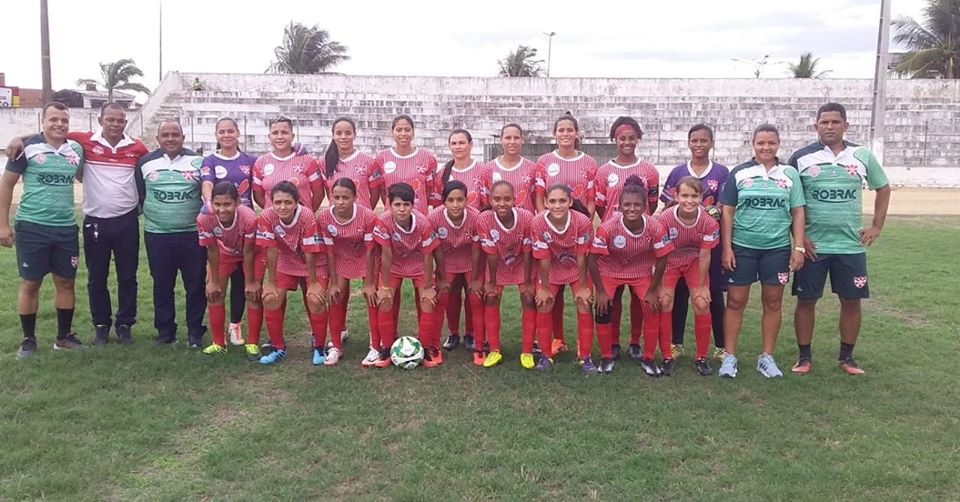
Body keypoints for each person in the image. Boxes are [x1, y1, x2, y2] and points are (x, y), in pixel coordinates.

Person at [5, 102, 149, 346]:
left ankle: (125, 324)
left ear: (125, 122)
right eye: (110, 119)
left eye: (120, 120)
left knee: (127, 276)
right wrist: (19, 137)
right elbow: (48, 134)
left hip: (126, 221)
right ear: (100, 120)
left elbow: (150, 169)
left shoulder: (136, 147)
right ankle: (101, 325)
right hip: (93, 221)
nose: (115, 124)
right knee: (96, 277)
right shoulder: (84, 141)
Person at [788, 102, 891, 375]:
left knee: (851, 301)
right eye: (824, 122)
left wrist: (876, 226)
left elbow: (883, 188)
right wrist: (799, 238)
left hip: (849, 246)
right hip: (814, 246)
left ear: (846, 125)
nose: (830, 127)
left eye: (835, 122)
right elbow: (789, 200)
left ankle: (847, 358)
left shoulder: (862, 155)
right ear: (816, 126)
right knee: (806, 301)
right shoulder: (801, 158)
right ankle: (804, 357)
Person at [718, 124, 806, 379]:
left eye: (771, 143)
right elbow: (727, 211)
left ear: (778, 144)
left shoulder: (789, 174)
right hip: (743, 247)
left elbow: (798, 210)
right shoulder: (739, 173)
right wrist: (727, 248)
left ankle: (766, 357)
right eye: (761, 143)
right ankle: (729, 357)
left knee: (773, 301)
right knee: (735, 301)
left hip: (776, 249)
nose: (766, 147)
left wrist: (798, 247)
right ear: (752, 144)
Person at [0, 102, 85, 358]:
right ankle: (28, 339)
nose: (59, 124)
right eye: (53, 119)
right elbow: (6, 185)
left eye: (64, 120)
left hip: (66, 227)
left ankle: (64, 338)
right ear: (43, 121)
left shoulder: (76, 148)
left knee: (66, 282)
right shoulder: (25, 148)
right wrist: (3, 224)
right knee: (31, 283)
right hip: (31, 226)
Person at [589, 175, 671, 376]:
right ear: (619, 206)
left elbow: (662, 259)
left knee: (650, 305)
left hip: (640, 270)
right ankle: (607, 356)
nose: (632, 209)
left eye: (637, 205)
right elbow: (591, 259)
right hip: (610, 270)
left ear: (645, 206)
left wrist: (653, 290)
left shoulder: (655, 226)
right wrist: (600, 291)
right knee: (602, 306)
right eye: (627, 204)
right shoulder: (608, 227)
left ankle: (649, 358)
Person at [661, 123, 730, 361]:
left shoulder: (721, 172)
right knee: (678, 294)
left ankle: (720, 345)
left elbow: (725, 207)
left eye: (704, 140)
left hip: (709, 243)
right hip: (679, 245)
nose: (699, 145)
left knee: (711, 293)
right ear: (689, 143)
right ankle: (676, 343)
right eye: (694, 140)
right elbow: (668, 205)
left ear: (711, 143)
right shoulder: (678, 172)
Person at [135, 120, 207, 348]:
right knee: (162, 284)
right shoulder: (146, 162)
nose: (170, 139)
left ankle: (195, 331)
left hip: (192, 234)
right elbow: (141, 194)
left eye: (175, 134)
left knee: (195, 284)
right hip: (158, 235)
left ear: (183, 137)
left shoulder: (198, 162)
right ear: (158, 139)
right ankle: (165, 331)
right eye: (165, 135)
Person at [594, 116, 660, 360]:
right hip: (611, 241)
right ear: (615, 139)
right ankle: (612, 343)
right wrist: (614, 224)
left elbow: (651, 205)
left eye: (632, 138)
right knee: (613, 295)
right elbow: (601, 206)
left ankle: (634, 341)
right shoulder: (604, 171)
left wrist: (636, 228)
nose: (627, 142)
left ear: (638, 139)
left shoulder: (649, 170)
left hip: (639, 242)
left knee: (639, 295)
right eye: (622, 138)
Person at [534, 114, 598, 356]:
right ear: (554, 134)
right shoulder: (544, 161)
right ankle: (556, 340)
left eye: (569, 130)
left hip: (576, 232)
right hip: (550, 232)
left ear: (577, 133)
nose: (565, 134)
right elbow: (539, 197)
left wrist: (581, 223)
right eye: (560, 130)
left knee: (582, 294)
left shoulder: (589, 162)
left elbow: (591, 201)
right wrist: (548, 223)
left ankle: (585, 351)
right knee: (553, 292)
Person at [255, 181, 328, 365]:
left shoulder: (307, 216)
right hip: (286, 259)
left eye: (288, 202)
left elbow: (311, 251)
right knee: (271, 298)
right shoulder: (266, 216)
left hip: (313, 262)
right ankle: (278, 347)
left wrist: (312, 283)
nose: (282, 206)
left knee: (315, 298)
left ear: (296, 202)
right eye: (278, 202)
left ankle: (319, 346)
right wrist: (270, 282)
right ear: (271, 202)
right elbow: (270, 250)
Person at [372, 182, 444, 368]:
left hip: (419, 263)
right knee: (385, 299)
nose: (402, 209)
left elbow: (429, 256)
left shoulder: (423, 222)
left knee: (428, 301)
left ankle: (425, 349)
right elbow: (386, 255)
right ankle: (386, 349)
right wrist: (385, 287)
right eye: (397, 204)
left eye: (406, 204)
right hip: (394, 263)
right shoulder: (383, 220)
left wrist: (427, 288)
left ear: (413, 205)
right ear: (390, 205)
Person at [200, 117, 258, 347]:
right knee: (217, 282)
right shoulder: (210, 160)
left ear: (238, 134)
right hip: (221, 224)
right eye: (222, 131)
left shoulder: (249, 161)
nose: (226, 135)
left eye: (230, 131)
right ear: (216, 135)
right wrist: (208, 203)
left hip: (245, 226)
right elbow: (206, 183)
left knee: (243, 281)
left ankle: (235, 325)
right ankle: (217, 339)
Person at [656, 177, 720, 376]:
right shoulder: (665, 218)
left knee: (701, 302)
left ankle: (701, 357)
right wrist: (658, 283)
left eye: (694, 196)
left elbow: (705, 254)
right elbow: (660, 253)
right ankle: (667, 356)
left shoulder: (708, 221)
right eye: (684, 195)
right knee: (665, 301)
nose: (689, 200)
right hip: (670, 260)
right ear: (676, 196)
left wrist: (702, 286)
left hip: (694, 261)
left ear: (701, 197)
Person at [529, 184, 594, 372]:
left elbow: (582, 255)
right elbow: (543, 257)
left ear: (570, 202)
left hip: (576, 267)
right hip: (551, 267)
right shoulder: (538, 222)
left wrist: (582, 286)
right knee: (544, 302)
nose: (557, 205)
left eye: (562, 201)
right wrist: (545, 288)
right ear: (546, 203)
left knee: (584, 302)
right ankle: (545, 356)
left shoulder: (582, 221)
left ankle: (585, 357)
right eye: (553, 201)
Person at [317, 177, 379, 367]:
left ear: (355, 197)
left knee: (372, 295)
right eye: (336, 197)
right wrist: (333, 282)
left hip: (364, 256)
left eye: (346, 197)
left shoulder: (368, 216)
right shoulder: (324, 217)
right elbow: (329, 250)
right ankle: (336, 345)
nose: (341, 201)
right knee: (336, 294)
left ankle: (375, 346)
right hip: (340, 257)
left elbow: (370, 250)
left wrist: (368, 283)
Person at [476, 180, 536, 368]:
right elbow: (491, 256)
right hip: (497, 263)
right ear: (490, 200)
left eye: (507, 199)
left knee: (528, 297)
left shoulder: (526, 217)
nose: (502, 203)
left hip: (520, 262)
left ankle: (527, 351)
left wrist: (527, 280)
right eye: (497, 199)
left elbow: (527, 251)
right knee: (492, 297)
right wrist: (491, 283)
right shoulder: (484, 219)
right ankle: (494, 350)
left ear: (515, 200)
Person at [197, 181, 259, 358]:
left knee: (252, 293)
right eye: (217, 204)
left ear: (237, 203)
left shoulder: (248, 217)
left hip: (252, 252)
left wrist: (251, 282)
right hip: (225, 252)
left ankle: (252, 343)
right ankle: (219, 343)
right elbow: (212, 249)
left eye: (227, 204)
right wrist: (214, 281)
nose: (222, 209)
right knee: (214, 293)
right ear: (211, 203)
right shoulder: (204, 217)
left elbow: (248, 251)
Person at [438, 130, 483, 351]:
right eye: (454, 143)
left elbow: (486, 203)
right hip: (450, 245)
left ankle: (471, 333)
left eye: (462, 142)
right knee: (452, 291)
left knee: (472, 289)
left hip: (473, 239)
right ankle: (453, 333)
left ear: (470, 145)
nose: (458, 146)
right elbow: (439, 205)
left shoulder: (482, 171)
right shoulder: (442, 173)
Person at [429, 180, 483, 363]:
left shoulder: (476, 217)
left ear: (467, 200)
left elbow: (476, 249)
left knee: (474, 296)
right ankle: (441, 341)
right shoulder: (435, 217)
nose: (455, 204)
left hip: (470, 260)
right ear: (444, 202)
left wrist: (475, 278)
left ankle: (473, 338)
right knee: (444, 295)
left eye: (460, 199)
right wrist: (442, 277)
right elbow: (436, 249)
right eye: (450, 200)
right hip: (448, 260)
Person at [252, 117, 325, 213]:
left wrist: (306, 213)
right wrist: (277, 212)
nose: (280, 136)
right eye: (275, 133)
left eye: (284, 132)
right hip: (272, 222)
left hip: (302, 222)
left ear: (292, 136)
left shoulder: (308, 161)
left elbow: (319, 194)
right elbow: (258, 196)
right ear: (269, 137)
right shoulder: (261, 162)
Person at [371, 114, 439, 214]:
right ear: (392, 132)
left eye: (407, 130)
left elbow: (428, 189)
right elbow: (382, 190)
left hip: (419, 215)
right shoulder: (381, 158)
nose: (403, 134)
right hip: (392, 216)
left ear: (413, 132)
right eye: (399, 130)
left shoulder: (428, 158)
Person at [320, 117, 381, 209]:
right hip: (335, 218)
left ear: (354, 135)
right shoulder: (324, 163)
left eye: (348, 133)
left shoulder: (369, 162)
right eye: (339, 133)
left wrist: (365, 212)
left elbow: (375, 194)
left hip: (362, 219)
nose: (343, 137)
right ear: (333, 135)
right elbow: (329, 193)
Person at [478, 123, 540, 213]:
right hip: (497, 223)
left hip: (525, 224)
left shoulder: (531, 168)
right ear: (501, 140)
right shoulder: (489, 169)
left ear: (522, 140)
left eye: (516, 138)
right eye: (508, 138)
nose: (512, 142)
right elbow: (485, 201)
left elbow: (536, 198)